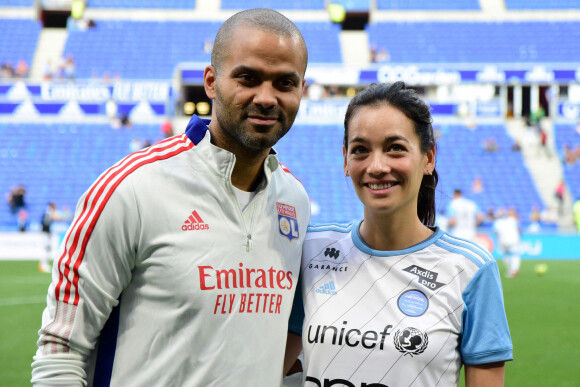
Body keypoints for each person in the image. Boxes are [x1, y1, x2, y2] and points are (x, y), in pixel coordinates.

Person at [32, 8, 310, 386]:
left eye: (285, 83)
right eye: (248, 78)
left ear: (300, 91)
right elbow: (60, 353)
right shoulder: (132, 188)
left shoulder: (295, 201)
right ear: (211, 82)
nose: (266, 97)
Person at [285, 82, 512, 387]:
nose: (377, 166)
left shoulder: (471, 270)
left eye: (395, 148)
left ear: (428, 158)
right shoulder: (312, 250)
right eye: (361, 150)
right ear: (345, 160)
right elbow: (263, 368)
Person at [493, 207, 522, 278]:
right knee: (515, 254)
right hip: (514, 239)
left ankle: (510, 269)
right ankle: (514, 269)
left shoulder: (497, 222)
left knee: (505, 255)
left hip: (503, 240)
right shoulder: (512, 220)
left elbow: (495, 232)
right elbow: (519, 229)